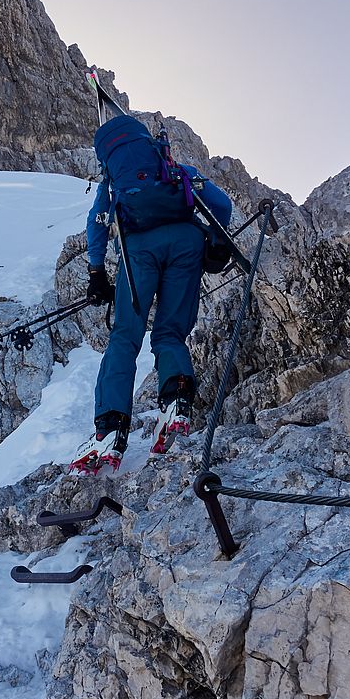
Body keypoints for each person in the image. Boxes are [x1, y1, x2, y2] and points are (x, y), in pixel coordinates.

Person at [70, 116, 234, 474]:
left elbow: (97, 222)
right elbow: (221, 205)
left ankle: (110, 428)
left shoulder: (112, 184)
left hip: (137, 252)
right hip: (186, 244)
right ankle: (176, 402)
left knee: (126, 336)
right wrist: (218, 241)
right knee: (170, 332)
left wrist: (97, 272)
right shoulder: (173, 167)